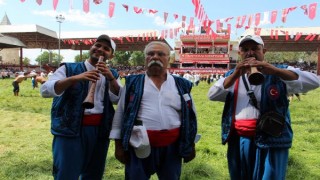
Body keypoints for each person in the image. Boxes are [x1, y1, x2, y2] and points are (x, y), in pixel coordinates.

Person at [207, 35, 320, 180]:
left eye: (255, 48)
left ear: (263, 51)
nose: (250, 53)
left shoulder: (278, 71)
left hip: (271, 139)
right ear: (240, 53)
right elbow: (212, 95)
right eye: (245, 49)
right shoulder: (233, 74)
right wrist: (236, 74)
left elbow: (314, 82)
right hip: (239, 139)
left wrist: (275, 71)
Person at [109, 41, 198, 179]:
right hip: (138, 144)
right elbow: (120, 114)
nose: (155, 57)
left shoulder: (181, 85)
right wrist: (118, 145)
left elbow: (191, 116)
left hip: (172, 148)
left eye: (161, 54)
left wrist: (191, 143)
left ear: (169, 59)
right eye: (150, 54)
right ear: (145, 58)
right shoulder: (133, 83)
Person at [40, 34, 122, 180]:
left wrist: (110, 77)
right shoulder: (69, 68)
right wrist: (75, 78)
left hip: (99, 131)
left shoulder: (112, 74)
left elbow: (117, 99)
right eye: (97, 45)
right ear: (91, 47)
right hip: (69, 129)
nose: (100, 49)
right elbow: (45, 90)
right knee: (66, 173)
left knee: (93, 174)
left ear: (111, 55)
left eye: (106, 48)